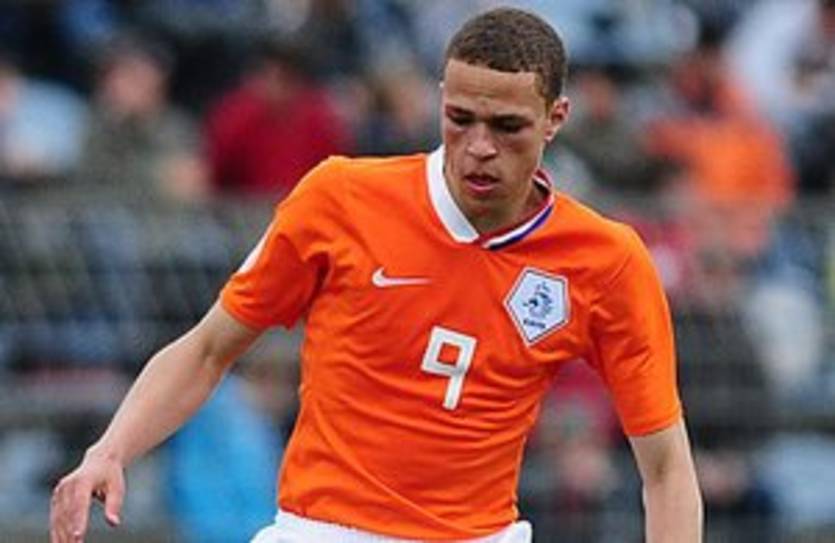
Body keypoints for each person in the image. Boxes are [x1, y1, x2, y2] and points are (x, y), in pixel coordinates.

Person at [50, 7, 702, 542]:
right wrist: (110, 449)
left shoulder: (606, 259)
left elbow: (666, 467)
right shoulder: (339, 197)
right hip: (321, 530)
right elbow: (208, 348)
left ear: (555, 119)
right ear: (440, 101)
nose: (479, 147)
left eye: (507, 127)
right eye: (460, 119)